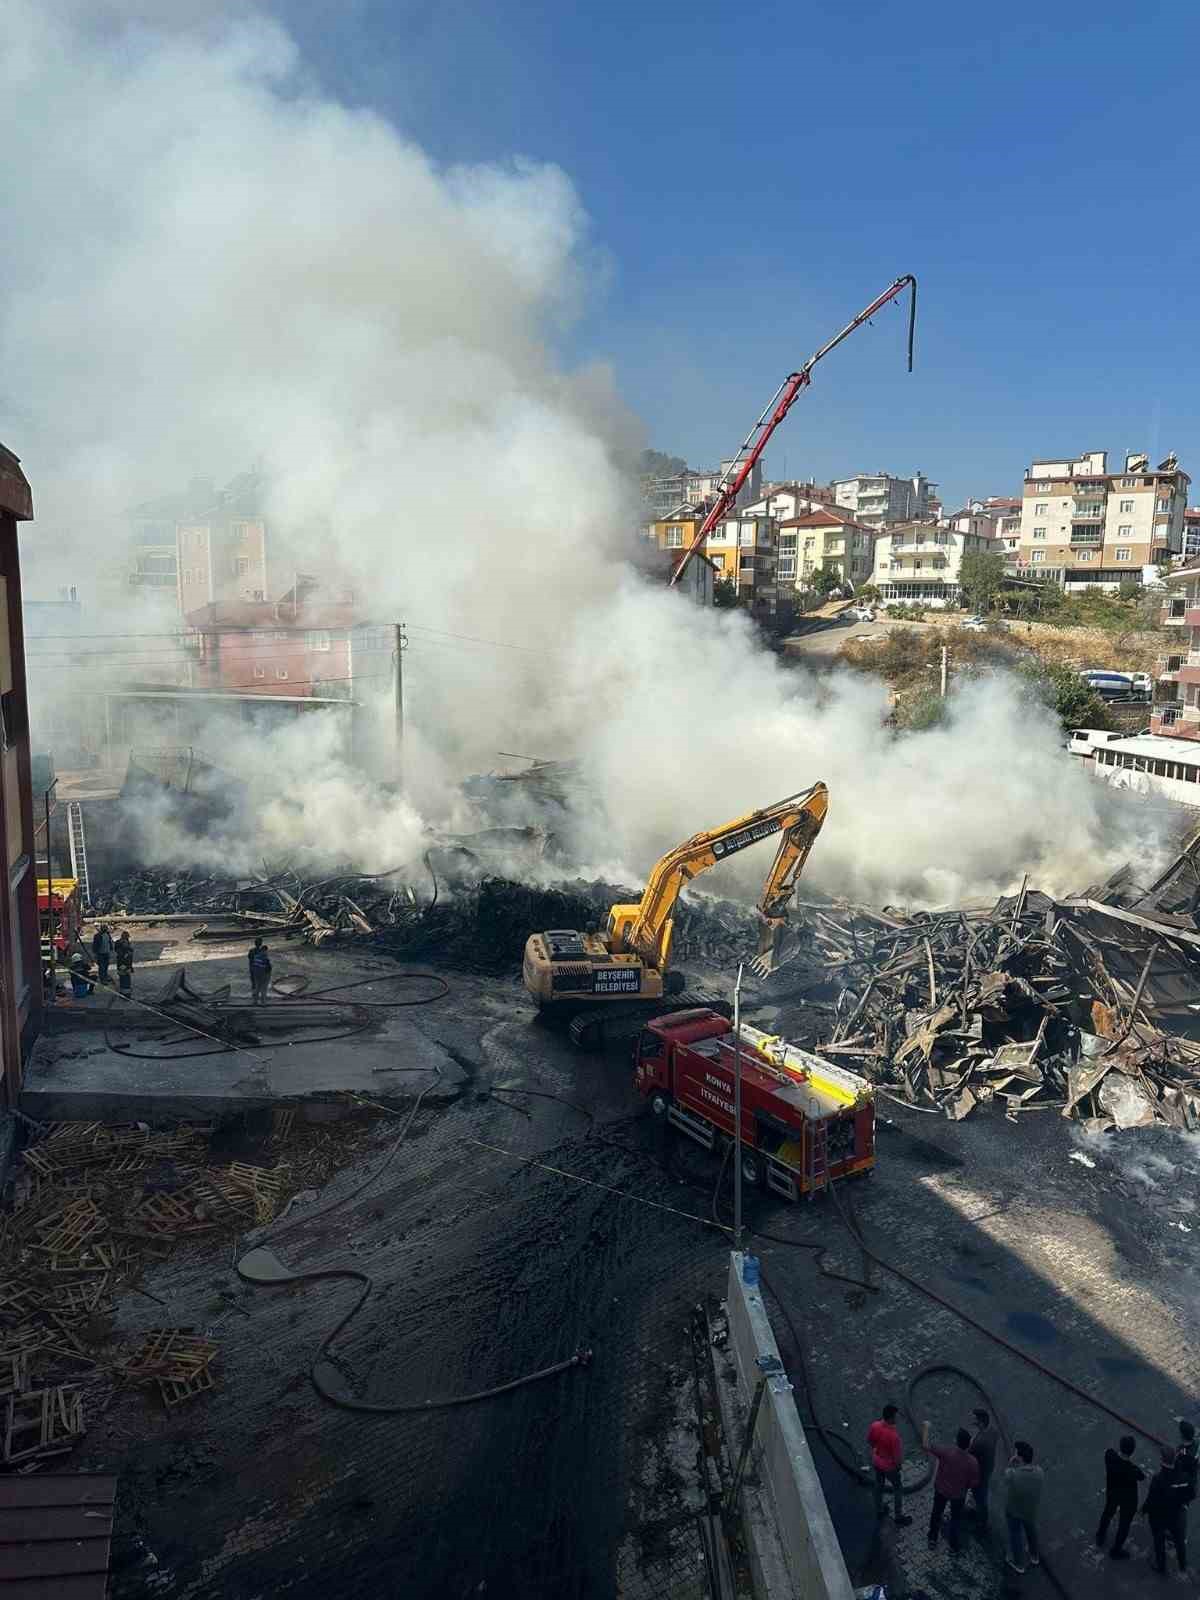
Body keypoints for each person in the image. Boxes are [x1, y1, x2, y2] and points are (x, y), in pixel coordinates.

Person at [920, 1420, 979, 1552]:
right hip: (959, 1495)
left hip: (941, 1490)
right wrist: (964, 1487)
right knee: (956, 1519)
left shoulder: (946, 1452)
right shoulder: (973, 1462)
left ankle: (932, 1539)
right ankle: (953, 1543)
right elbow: (974, 1483)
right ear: (968, 1444)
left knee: (936, 1513)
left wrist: (925, 1428)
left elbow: (925, 1445)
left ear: (956, 1441)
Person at [1097, 1435, 1144, 1559]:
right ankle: (1116, 1550)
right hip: (1127, 1499)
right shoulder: (1132, 1470)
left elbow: (1108, 1451)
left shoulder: (1110, 1456)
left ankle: (1100, 1536)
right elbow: (1141, 1476)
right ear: (1132, 1451)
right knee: (1124, 1524)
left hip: (1112, 1492)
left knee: (1107, 1512)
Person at [1144, 1444, 1190, 1575]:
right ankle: (1182, 1564)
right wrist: (1184, 1504)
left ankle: (1161, 1567)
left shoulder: (1158, 1479)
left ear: (1162, 1460)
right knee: (1179, 1541)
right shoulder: (1184, 1476)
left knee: (1159, 1541)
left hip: (1161, 1516)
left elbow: (1151, 1499)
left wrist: (1143, 1510)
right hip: (1177, 1516)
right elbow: (1190, 1493)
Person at [867, 1403, 912, 1526]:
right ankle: (898, 1516)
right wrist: (898, 1467)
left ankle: (879, 1509)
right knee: (898, 1488)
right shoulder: (894, 1437)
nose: (896, 1419)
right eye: (895, 1416)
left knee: (879, 1485)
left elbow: (870, 1441)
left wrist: (877, 1452)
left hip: (877, 1461)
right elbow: (897, 1459)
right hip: (889, 1467)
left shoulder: (874, 1426)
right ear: (891, 1418)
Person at [1004, 1440, 1044, 1575]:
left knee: (1015, 1535)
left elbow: (1007, 1477)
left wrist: (1011, 1463)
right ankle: (1034, 1556)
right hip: (1030, 1510)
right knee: (1031, 1531)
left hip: (1014, 1511)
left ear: (1020, 1457)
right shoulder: (1039, 1472)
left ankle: (1019, 1564)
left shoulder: (1013, 1474)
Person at [969, 1407, 999, 1526]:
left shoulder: (979, 1442)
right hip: (988, 1467)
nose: (972, 1419)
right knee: (982, 1493)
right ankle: (980, 1512)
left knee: (980, 1496)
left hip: (979, 1474)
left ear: (980, 1421)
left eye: (975, 1418)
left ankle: (982, 1522)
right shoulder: (993, 1431)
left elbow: (968, 1454)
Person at [248, 937, 272, 1005]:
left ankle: (254, 1000)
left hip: (254, 970)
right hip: (263, 973)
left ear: (255, 943)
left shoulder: (252, 951)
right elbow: (268, 967)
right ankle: (263, 1002)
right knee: (263, 988)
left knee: (255, 985)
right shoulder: (264, 955)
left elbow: (250, 959)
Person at [115, 931, 134, 998]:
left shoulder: (118, 943)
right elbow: (128, 955)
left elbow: (117, 951)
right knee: (126, 979)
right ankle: (126, 994)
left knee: (123, 978)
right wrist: (129, 967)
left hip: (121, 964)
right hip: (125, 965)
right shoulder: (126, 945)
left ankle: (123, 992)